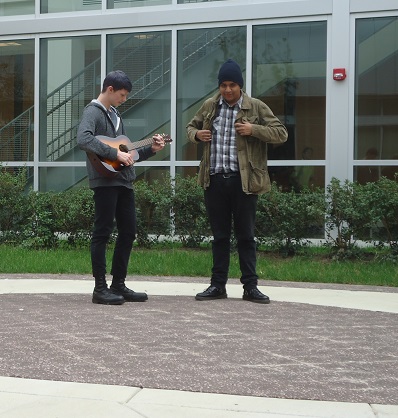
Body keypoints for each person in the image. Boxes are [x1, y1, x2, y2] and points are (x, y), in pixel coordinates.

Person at [186, 59, 288, 304]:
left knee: (245, 236)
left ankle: (250, 287)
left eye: (232, 85)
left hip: (245, 182)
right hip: (215, 180)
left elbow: (281, 133)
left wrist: (254, 129)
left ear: (240, 86)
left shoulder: (256, 107)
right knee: (220, 236)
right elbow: (191, 127)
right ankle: (217, 285)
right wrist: (197, 135)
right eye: (223, 85)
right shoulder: (211, 106)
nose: (228, 90)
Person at [77, 70, 165, 305]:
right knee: (102, 233)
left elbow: (125, 155)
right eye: (123, 95)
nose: (124, 100)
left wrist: (151, 150)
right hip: (104, 183)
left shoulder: (116, 115)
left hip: (124, 182)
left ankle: (118, 284)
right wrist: (114, 152)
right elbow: (83, 139)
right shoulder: (92, 112)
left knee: (128, 232)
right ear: (110, 90)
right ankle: (100, 289)